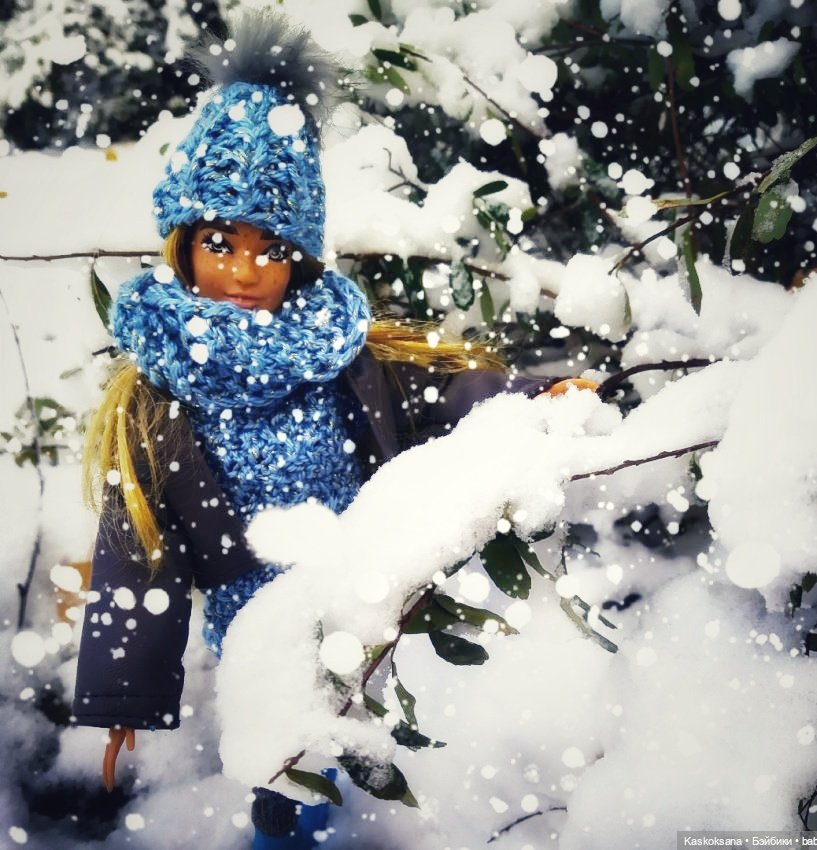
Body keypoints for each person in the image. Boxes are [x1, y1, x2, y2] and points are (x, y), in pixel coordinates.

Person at [72, 10, 593, 849]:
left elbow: (451, 391)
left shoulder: (344, 355)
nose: (244, 271)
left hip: (368, 590)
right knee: (288, 768)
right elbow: (137, 540)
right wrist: (122, 690)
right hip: (257, 629)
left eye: (269, 250)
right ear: (184, 246)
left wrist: (538, 397)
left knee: (363, 741)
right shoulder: (158, 393)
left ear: (301, 259)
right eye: (220, 242)